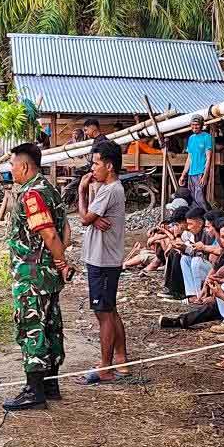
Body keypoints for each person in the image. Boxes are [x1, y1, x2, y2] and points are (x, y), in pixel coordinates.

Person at [3, 142, 71, 411]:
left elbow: (50, 233)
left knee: (32, 327)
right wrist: (59, 261)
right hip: (47, 272)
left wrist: (61, 261)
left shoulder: (32, 194)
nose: (11, 170)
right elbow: (66, 230)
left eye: (12, 165)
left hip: (32, 274)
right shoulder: (50, 189)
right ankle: (50, 383)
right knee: (51, 326)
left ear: (24, 166)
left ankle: (34, 389)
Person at [78, 141, 130, 384]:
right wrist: (94, 218)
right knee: (110, 309)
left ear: (109, 166)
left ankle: (106, 367)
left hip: (103, 260)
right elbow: (93, 217)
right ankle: (120, 358)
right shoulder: (109, 189)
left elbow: (84, 218)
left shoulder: (110, 190)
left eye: (96, 163)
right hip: (106, 258)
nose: (92, 168)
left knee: (103, 313)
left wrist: (80, 192)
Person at [161, 217, 224, 331]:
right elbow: (218, 272)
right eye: (223, 237)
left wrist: (218, 294)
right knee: (208, 309)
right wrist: (208, 285)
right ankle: (179, 321)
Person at [180, 115, 215, 210]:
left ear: (202, 125)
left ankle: (208, 216)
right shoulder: (191, 138)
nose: (194, 127)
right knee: (192, 199)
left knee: (200, 198)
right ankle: (198, 219)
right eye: (193, 125)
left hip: (201, 172)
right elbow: (189, 158)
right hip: (191, 173)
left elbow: (209, 158)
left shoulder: (207, 137)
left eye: (197, 125)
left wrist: (205, 175)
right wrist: (183, 174)